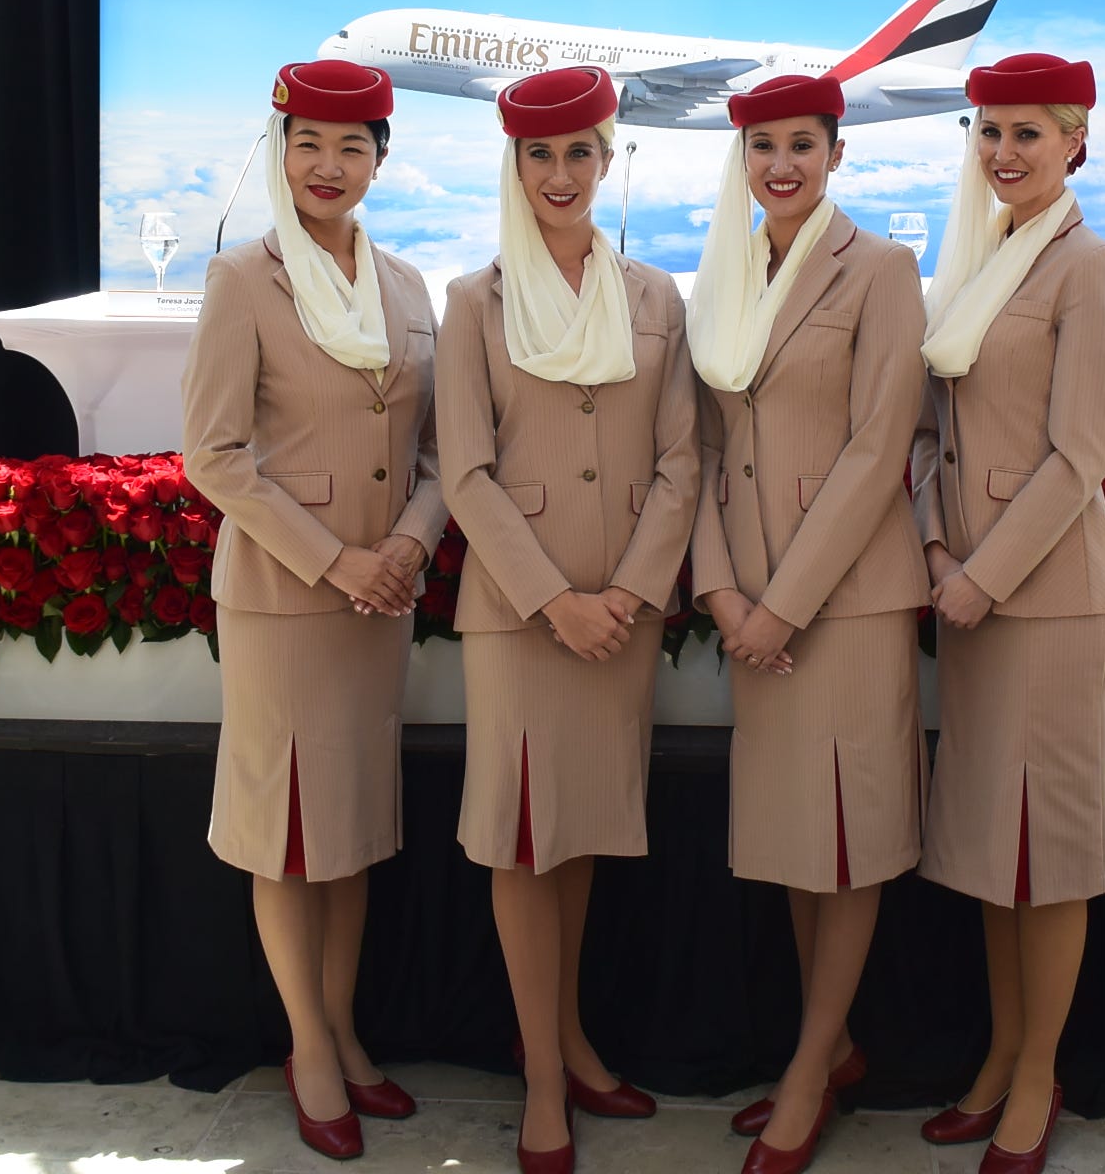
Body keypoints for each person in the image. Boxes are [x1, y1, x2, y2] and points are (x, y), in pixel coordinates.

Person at [181, 58, 447, 1164]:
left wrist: (405, 546)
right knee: (286, 836)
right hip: (290, 600)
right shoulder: (245, 279)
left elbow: (434, 453)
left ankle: (343, 1031)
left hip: (375, 598)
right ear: (281, 150)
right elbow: (214, 455)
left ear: (381, 161)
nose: (327, 166)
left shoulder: (405, 285)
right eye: (308, 144)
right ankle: (309, 1048)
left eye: (351, 147)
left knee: (348, 831)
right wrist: (339, 558)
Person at [436, 66, 701, 1174]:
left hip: (622, 608)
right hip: (520, 613)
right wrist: (554, 599)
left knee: (580, 825)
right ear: (515, 166)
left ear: (608, 159)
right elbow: (464, 471)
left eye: (578, 154)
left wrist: (629, 595)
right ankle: (543, 1078)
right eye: (539, 156)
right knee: (520, 836)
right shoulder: (473, 301)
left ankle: (572, 1036)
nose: (560, 174)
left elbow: (682, 460)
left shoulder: (654, 298)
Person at [909, 52, 1105, 1174]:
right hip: (969, 591)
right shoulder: (977, 260)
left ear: (1075, 144)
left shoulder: (1090, 265)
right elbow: (930, 438)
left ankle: (1032, 1081)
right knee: (990, 850)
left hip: (1045, 604)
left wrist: (979, 575)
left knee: (1046, 855)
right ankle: (1001, 1059)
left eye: (1027, 132)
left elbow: (1080, 455)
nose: (1003, 151)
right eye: (988, 131)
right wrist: (930, 545)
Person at [686, 72, 929, 1174]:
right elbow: (695, 448)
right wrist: (724, 593)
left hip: (844, 600)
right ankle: (825, 1051)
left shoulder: (879, 268)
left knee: (848, 838)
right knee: (795, 836)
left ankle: (807, 1067)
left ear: (835, 154)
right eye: (761, 146)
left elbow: (880, 450)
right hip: (748, 597)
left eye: (800, 144)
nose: (779, 164)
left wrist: (781, 602)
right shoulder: (729, 272)